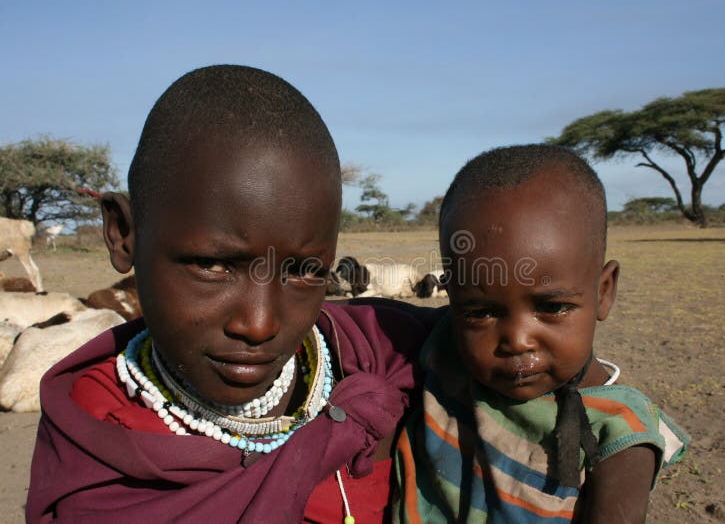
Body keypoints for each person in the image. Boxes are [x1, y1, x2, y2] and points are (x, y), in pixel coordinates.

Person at [26, 65, 432, 523]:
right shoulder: (97, 434)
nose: (259, 325)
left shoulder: (390, 360)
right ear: (123, 234)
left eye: (303, 271)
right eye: (211, 265)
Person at [393, 145, 689, 523]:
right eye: (481, 312)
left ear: (603, 292)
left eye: (552, 307)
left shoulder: (618, 431)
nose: (517, 340)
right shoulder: (446, 348)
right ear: (453, 299)